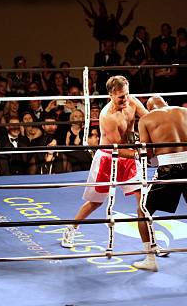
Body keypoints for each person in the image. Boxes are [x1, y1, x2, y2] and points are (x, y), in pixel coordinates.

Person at [61, 76, 149, 248]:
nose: (125, 99)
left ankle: (149, 245)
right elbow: (117, 148)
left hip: (130, 156)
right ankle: (71, 227)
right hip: (109, 158)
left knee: (143, 200)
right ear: (110, 95)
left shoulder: (132, 102)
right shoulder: (107, 116)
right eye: (121, 97)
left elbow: (148, 118)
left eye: (126, 94)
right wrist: (142, 153)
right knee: (96, 202)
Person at [132, 96, 187, 271]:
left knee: (143, 211)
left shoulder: (146, 119)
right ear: (165, 102)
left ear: (149, 108)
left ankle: (150, 259)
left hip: (169, 167)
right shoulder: (186, 111)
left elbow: (147, 152)